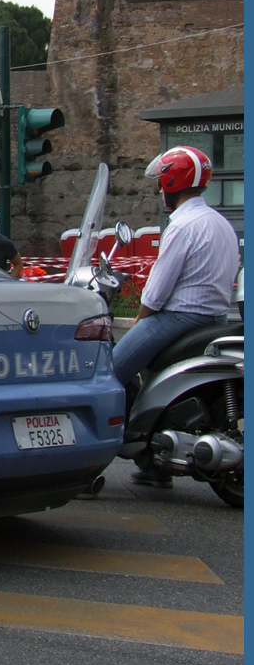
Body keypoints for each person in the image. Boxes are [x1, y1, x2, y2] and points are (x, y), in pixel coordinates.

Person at [112, 147, 239, 489]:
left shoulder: (181, 225)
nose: (159, 189)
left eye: (161, 182)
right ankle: (153, 464)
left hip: (177, 318)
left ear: (171, 181)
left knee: (110, 372)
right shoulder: (220, 223)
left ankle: (89, 463)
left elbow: (155, 292)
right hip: (213, 318)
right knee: (150, 374)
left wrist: (139, 322)